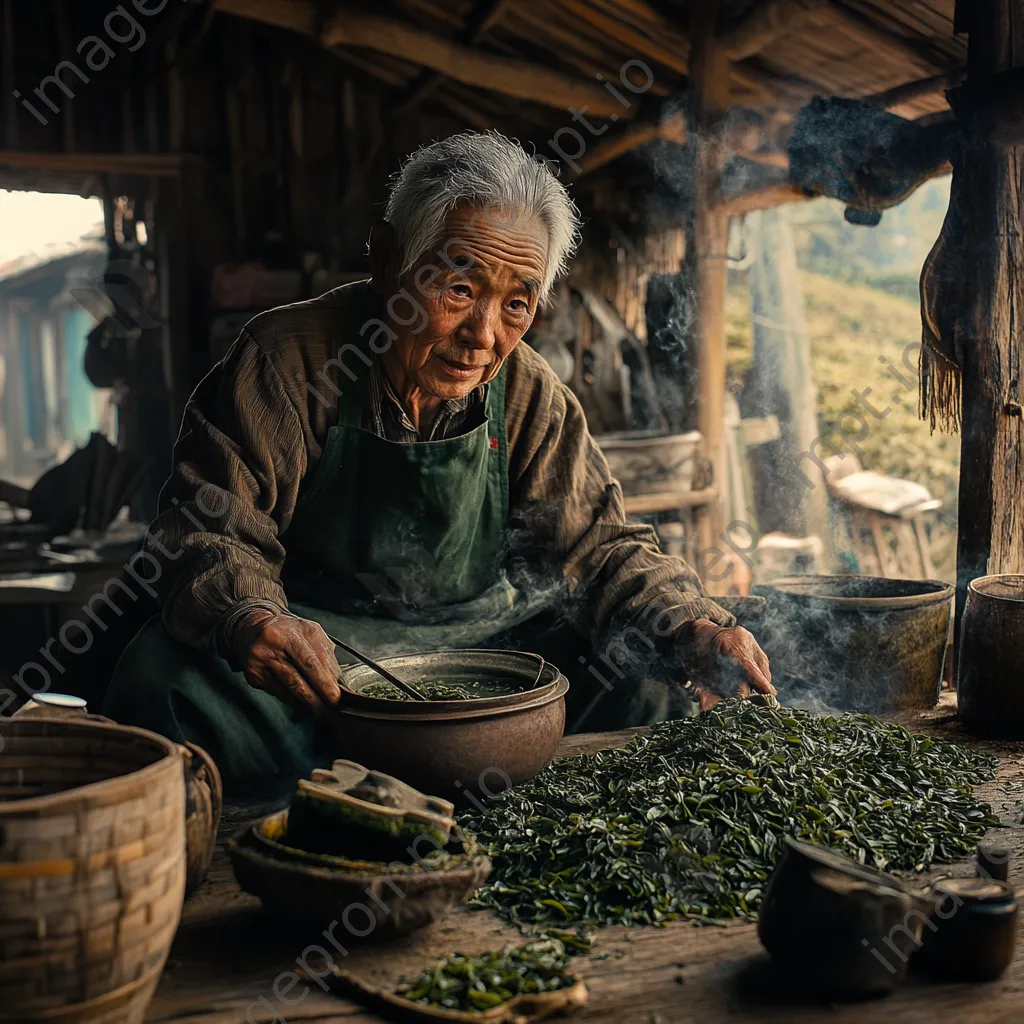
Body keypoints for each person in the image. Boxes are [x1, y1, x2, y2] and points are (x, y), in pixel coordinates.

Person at [103, 131, 773, 796]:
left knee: (648, 683)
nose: (484, 335)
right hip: (325, 656)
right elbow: (210, 525)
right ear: (388, 260)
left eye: (517, 303)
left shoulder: (531, 394)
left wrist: (693, 623)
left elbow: (601, 550)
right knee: (162, 683)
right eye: (458, 287)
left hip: (489, 643)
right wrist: (253, 619)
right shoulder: (290, 363)